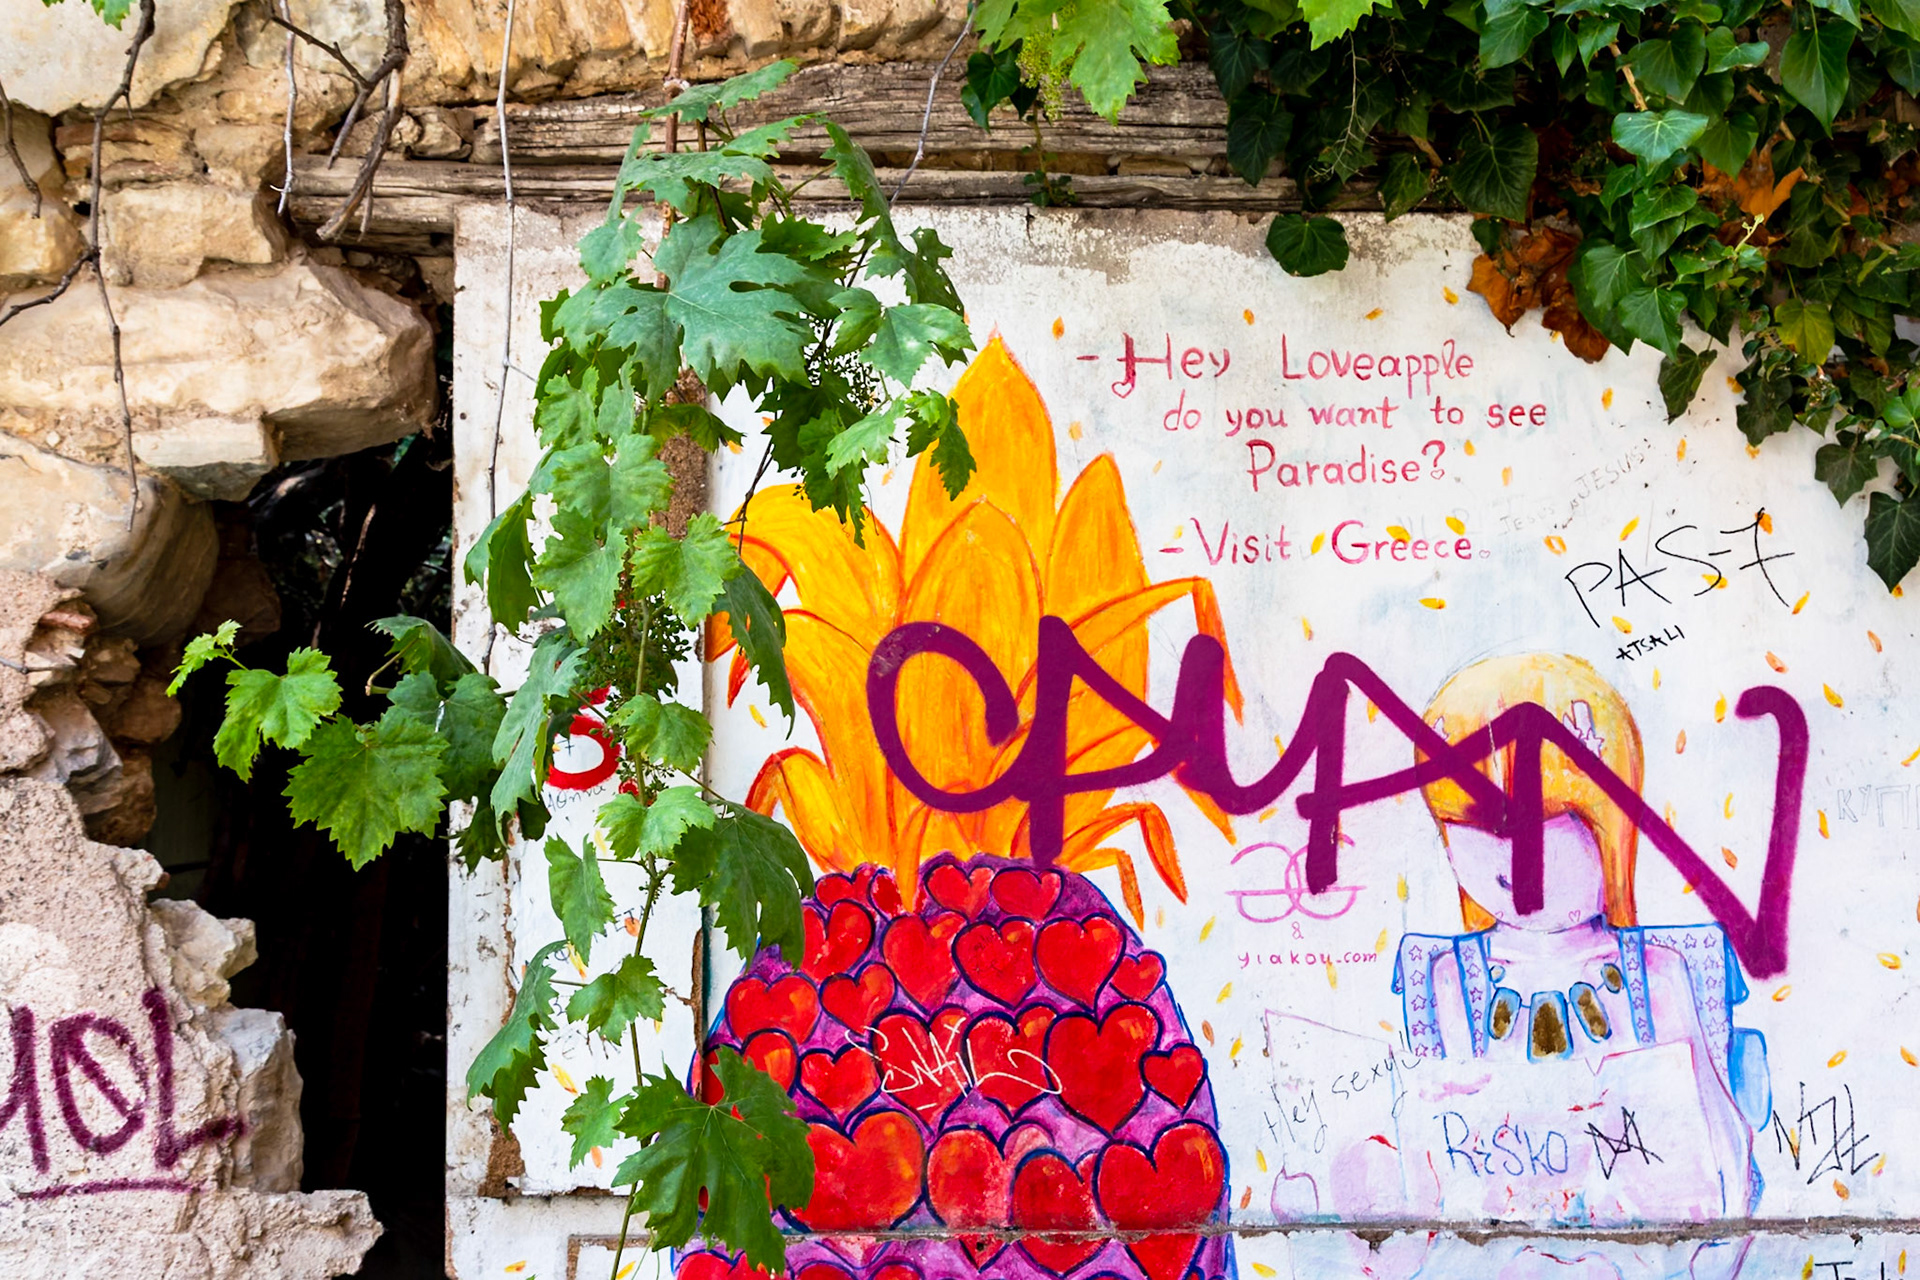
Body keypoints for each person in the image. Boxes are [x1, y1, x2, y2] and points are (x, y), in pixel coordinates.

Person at [1389, 653, 1769, 1223]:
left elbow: (1721, 1150)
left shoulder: (1658, 974)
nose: (1513, 863)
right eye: (1473, 831)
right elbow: (1426, 1171)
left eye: (1545, 830)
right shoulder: (1448, 980)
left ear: (1607, 824)